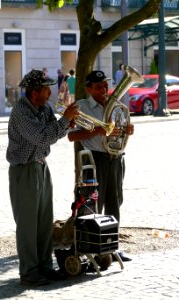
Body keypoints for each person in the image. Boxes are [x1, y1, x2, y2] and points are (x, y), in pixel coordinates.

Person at [6, 69, 79, 286]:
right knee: (28, 225)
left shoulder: (43, 107)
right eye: (46, 89)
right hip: (24, 169)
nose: (50, 92)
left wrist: (66, 124)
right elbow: (42, 136)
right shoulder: (21, 112)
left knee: (45, 222)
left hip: (41, 166)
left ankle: (45, 267)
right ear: (34, 92)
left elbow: (53, 133)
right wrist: (65, 121)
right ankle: (29, 272)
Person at [68, 70, 134, 262]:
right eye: (99, 86)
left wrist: (128, 130)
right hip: (96, 159)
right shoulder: (81, 107)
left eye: (105, 85)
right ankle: (93, 247)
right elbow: (72, 136)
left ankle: (112, 247)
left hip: (116, 158)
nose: (104, 89)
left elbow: (121, 131)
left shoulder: (117, 106)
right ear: (89, 88)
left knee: (116, 202)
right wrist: (98, 131)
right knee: (95, 204)